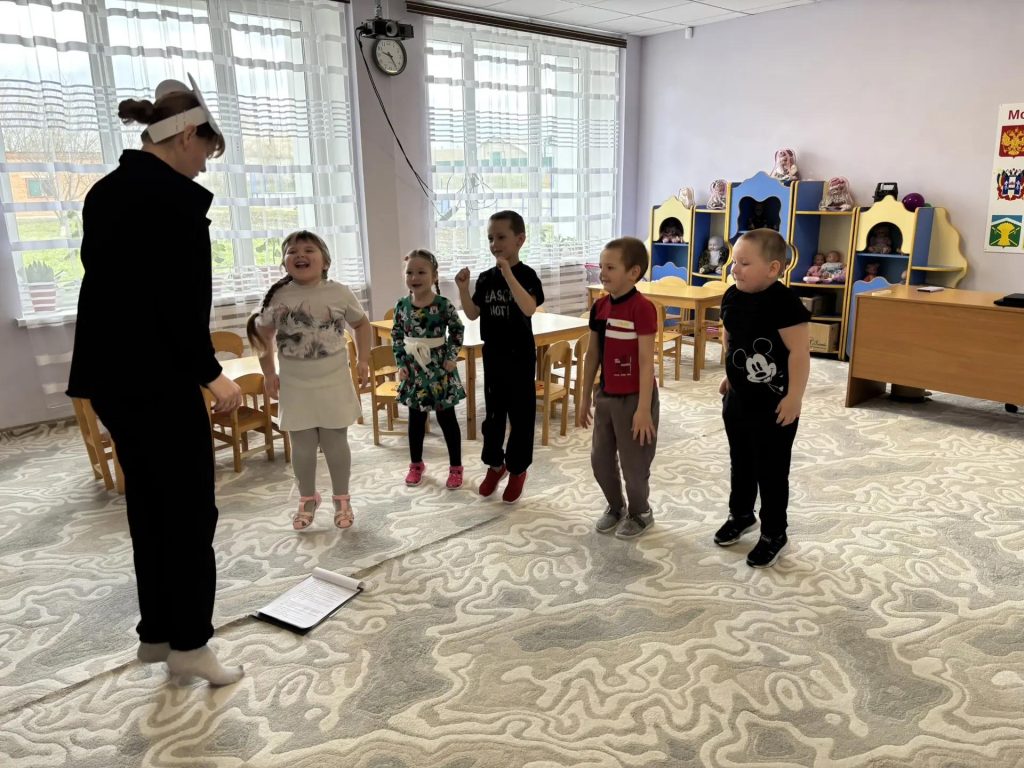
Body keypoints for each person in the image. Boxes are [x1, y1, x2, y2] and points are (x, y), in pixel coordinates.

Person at [67, 76, 244, 685]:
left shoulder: (106, 191)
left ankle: (158, 633)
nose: (203, 167)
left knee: (149, 503)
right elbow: (173, 302)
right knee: (190, 512)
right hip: (158, 378)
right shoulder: (172, 202)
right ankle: (190, 642)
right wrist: (211, 374)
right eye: (205, 153)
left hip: (110, 378)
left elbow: (114, 288)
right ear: (187, 135)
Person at [246, 231, 371, 531]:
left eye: (308, 249)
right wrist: (268, 373)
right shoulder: (278, 296)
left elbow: (362, 324)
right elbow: (262, 336)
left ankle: (342, 499)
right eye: (292, 251)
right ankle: (307, 498)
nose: (300, 255)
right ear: (284, 262)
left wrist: (364, 359)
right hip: (295, 384)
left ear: (325, 261)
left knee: (335, 444)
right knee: (301, 447)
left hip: (334, 380)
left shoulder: (340, 292)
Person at [715, 228, 811, 568]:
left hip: (775, 405)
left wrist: (795, 396)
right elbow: (729, 338)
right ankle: (741, 514)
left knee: (771, 469)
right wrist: (730, 375)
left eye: (744, 263)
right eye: (733, 262)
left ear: (773, 269)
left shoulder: (784, 305)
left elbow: (799, 353)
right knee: (740, 460)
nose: (734, 269)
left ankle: (774, 532)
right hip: (738, 399)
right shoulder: (731, 296)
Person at [455, 210, 544, 504]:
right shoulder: (486, 278)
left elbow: (529, 308)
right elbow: (472, 314)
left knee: (521, 417)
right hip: (493, 358)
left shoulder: (527, 275)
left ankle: (517, 469)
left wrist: (508, 273)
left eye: (501, 237)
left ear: (519, 240)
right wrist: (463, 290)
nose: (495, 244)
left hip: (520, 359)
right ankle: (496, 465)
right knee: (493, 417)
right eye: (491, 238)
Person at [579, 237, 659, 539]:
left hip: (636, 398)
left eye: (610, 267)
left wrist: (643, 409)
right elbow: (592, 356)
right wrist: (584, 398)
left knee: (634, 464)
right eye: (601, 266)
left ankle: (641, 512)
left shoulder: (642, 308)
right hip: (606, 396)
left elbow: (646, 362)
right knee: (600, 461)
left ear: (633, 272)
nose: (603, 273)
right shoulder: (599, 307)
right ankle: (616, 506)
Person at [391, 249, 466, 489]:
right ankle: (416, 464)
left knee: (447, 419)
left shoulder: (443, 305)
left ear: (434, 276)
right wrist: (401, 363)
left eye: (421, 272)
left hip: (440, 369)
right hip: (414, 369)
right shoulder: (401, 305)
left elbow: (457, 331)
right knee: (415, 419)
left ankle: (456, 467)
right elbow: (396, 336)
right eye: (409, 272)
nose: (415, 277)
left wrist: (452, 356)